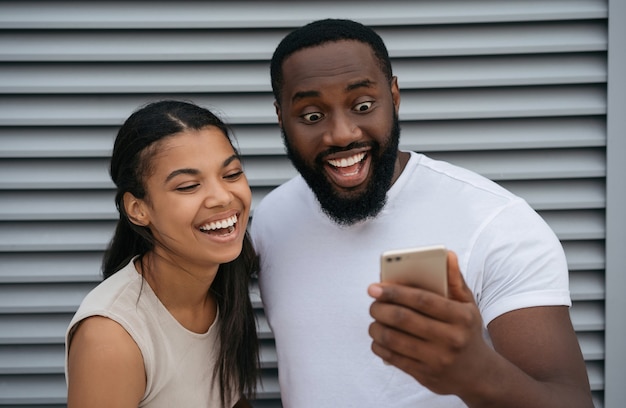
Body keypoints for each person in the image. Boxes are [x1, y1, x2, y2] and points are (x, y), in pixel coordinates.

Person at [250, 19, 593, 407]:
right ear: (281, 119)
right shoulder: (270, 219)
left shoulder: (497, 223)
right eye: (312, 116)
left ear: (394, 97)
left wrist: (477, 373)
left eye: (363, 106)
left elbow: (573, 401)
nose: (342, 134)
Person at [65, 100, 259, 407]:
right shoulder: (111, 337)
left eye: (232, 174)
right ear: (138, 209)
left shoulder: (223, 280)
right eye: (189, 186)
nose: (222, 197)